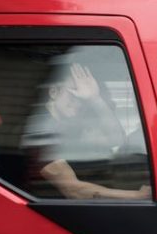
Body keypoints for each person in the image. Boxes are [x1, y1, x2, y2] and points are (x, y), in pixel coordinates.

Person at [23, 62, 150, 200]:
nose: (79, 103)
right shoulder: (42, 131)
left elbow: (116, 139)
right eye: (73, 93)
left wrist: (94, 98)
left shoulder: (68, 124)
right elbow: (73, 189)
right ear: (53, 92)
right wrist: (137, 196)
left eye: (82, 97)